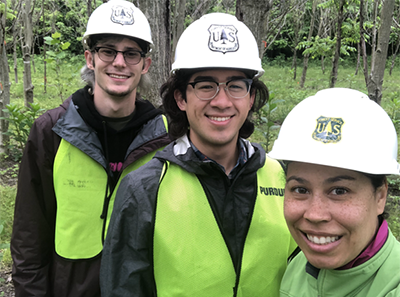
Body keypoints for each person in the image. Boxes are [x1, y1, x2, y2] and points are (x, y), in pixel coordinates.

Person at [101, 12, 297, 297]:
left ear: (251, 97)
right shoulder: (144, 189)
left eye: (236, 86)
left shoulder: (284, 179)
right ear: (180, 98)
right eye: (205, 86)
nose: (221, 101)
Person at [10, 1, 171, 296]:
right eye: (108, 51)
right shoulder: (51, 132)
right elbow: (29, 237)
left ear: (145, 64)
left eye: (131, 53)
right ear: (90, 58)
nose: (119, 62)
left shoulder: (166, 136)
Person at [268, 88, 400, 297]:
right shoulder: (298, 267)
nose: (314, 214)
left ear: (380, 196)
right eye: (300, 189)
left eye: (339, 191)